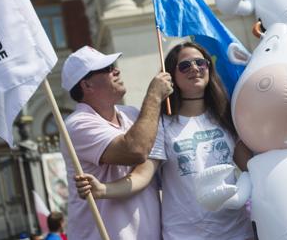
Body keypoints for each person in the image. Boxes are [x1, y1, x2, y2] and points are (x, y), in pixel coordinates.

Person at [76, 42, 253, 240]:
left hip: (237, 232)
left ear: (209, 69)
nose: (194, 68)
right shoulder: (161, 124)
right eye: (185, 66)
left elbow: (252, 167)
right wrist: (103, 189)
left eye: (200, 63)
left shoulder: (226, 117)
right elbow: (142, 176)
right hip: (184, 234)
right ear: (171, 76)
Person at [60, 46, 173, 240]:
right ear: (86, 85)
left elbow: (143, 172)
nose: (117, 70)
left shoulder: (131, 114)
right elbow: (135, 151)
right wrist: (154, 96)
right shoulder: (77, 124)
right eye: (107, 68)